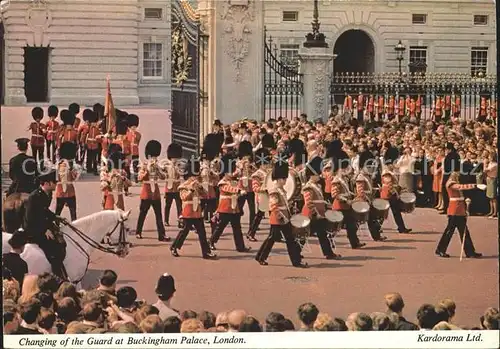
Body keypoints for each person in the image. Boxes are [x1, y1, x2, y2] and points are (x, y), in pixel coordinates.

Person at [255, 161, 306, 268]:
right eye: (284, 178)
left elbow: (283, 203)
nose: (285, 180)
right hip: (278, 218)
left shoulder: (280, 189)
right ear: (278, 178)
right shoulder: (274, 190)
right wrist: (280, 217)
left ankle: (260, 256)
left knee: (285, 239)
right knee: (274, 238)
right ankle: (261, 257)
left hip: (284, 216)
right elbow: (273, 205)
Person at [23, 170, 68, 280]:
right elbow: (30, 218)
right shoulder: (34, 197)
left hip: (42, 225)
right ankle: (57, 275)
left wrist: (56, 217)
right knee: (53, 248)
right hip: (33, 229)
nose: (56, 184)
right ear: (47, 183)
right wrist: (44, 230)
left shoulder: (46, 194)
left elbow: (44, 211)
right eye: (54, 182)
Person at [170, 158, 217, 260]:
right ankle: (174, 247)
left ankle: (206, 252)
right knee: (184, 231)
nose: (195, 178)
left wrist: (200, 189)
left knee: (202, 233)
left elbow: (205, 195)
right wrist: (191, 189)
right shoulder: (184, 185)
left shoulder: (197, 184)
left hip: (197, 211)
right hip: (188, 212)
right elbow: (183, 197)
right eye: (193, 176)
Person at [435, 170, 483, 258]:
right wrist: (475, 185)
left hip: (460, 210)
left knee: (464, 232)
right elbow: (461, 187)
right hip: (454, 211)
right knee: (449, 232)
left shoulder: (453, 182)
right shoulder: (450, 183)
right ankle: (440, 250)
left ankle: (470, 252)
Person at [209, 154, 251, 253]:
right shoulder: (222, 182)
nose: (230, 174)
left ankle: (240, 246)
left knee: (237, 228)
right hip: (225, 208)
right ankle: (211, 242)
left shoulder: (233, 181)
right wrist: (239, 191)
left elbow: (236, 189)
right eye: (229, 172)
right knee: (220, 228)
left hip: (234, 208)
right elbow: (228, 189)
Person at [302, 156, 340, 259]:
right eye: (317, 174)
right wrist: (316, 214)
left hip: (319, 214)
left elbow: (320, 200)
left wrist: (327, 206)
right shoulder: (308, 186)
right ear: (312, 175)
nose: (319, 176)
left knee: (322, 234)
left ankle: (328, 253)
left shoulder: (317, 186)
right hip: (311, 214)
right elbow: (309, 203)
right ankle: (296, 253)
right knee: (304, 235)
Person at [135, 140, 169, 242]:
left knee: (159, 214)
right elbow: (140, 178)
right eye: (153, 157)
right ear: (149, 156)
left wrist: (159, 169)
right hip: (147, 191)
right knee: (143, 213)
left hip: (156, 192)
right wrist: (148, 170)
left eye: (156, 157)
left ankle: (161, 235)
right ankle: (138, 232)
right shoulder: (144, 165)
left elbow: (163, 177)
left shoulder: (157, 165)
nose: (155, 159)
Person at [246, 148, 272, 241]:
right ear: (261, 164)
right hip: (262, 197)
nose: (268, 165)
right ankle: (251, 233)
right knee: (259, 216)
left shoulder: (269, 173)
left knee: (271, 215)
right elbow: (255, 188)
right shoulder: (257, 174)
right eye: (266, 163)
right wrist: (264, 189)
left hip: (270, 196)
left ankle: (275, 234)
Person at [380, 165, 412, 234]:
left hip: (391, 195)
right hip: (388, 195)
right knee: (384, 213)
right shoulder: (387, 174)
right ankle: (377, 228)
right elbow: (389, 184)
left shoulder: (391, 173)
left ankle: (401, 228)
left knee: (396, 212)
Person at [54, 142, 81, 222]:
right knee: (72, 215)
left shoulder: (61, 164)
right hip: (68, 191)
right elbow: (71, 178)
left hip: (61, 192)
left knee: (58, 213)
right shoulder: (67, 165)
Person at [235, 141, 256, 226]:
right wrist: (240, 168)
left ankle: (252, 225)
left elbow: (255, 172)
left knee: (252, 208)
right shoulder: (238, 162)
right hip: (242, 185)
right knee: (239, 206)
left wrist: (251, 167)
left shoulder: (252, 163)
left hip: (250, 185)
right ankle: (236, 223)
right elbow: (236, 174)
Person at [163, 143, 183, 228]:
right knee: (168, 205)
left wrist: (178, 168)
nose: (175, 159)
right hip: (169, 188)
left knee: (179, 206)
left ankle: (180, 220)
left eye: (176, 158)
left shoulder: (180, 166)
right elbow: (163, 175)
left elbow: (182, 175)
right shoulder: (166, 165)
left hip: (177, 188)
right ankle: (166, 220)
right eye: (173, 158)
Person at [84, 110, 101, 175]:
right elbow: (84, 135)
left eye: (94, 122)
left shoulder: (97, 130)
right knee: (89, 158)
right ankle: (89, 168)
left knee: (94, 159)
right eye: (92, 122)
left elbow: (99, 138)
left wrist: (96, 140)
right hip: (89, 145)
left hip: (95, 146)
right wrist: (83, 142)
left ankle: (95, 170)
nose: (93, 124)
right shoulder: (88, 129)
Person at [126, 114, 141, 182]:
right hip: (129, 152)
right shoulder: (127, 134)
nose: (134, 128)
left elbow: (138, 142)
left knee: (135, 166)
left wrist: (135, 136)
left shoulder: (138, 134)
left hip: (135, 152)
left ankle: (136, 178)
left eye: (135, 127)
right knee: (127, 165)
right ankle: (128, 177)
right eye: (133, 127)